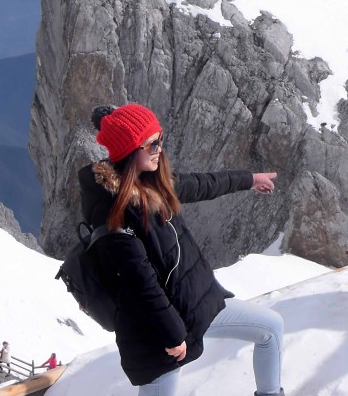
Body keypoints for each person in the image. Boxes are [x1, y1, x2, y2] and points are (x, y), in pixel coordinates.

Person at [80, 104, 285, 395]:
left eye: (160, 139)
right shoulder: (114, 211)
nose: (159, 149)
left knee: (271, 328)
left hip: (193, 306)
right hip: (157, 331)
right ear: (129, 151)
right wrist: (173, 334)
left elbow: (202, 184)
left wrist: (249, 179)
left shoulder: (152, 184)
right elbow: (140, 283)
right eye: (151, 144)